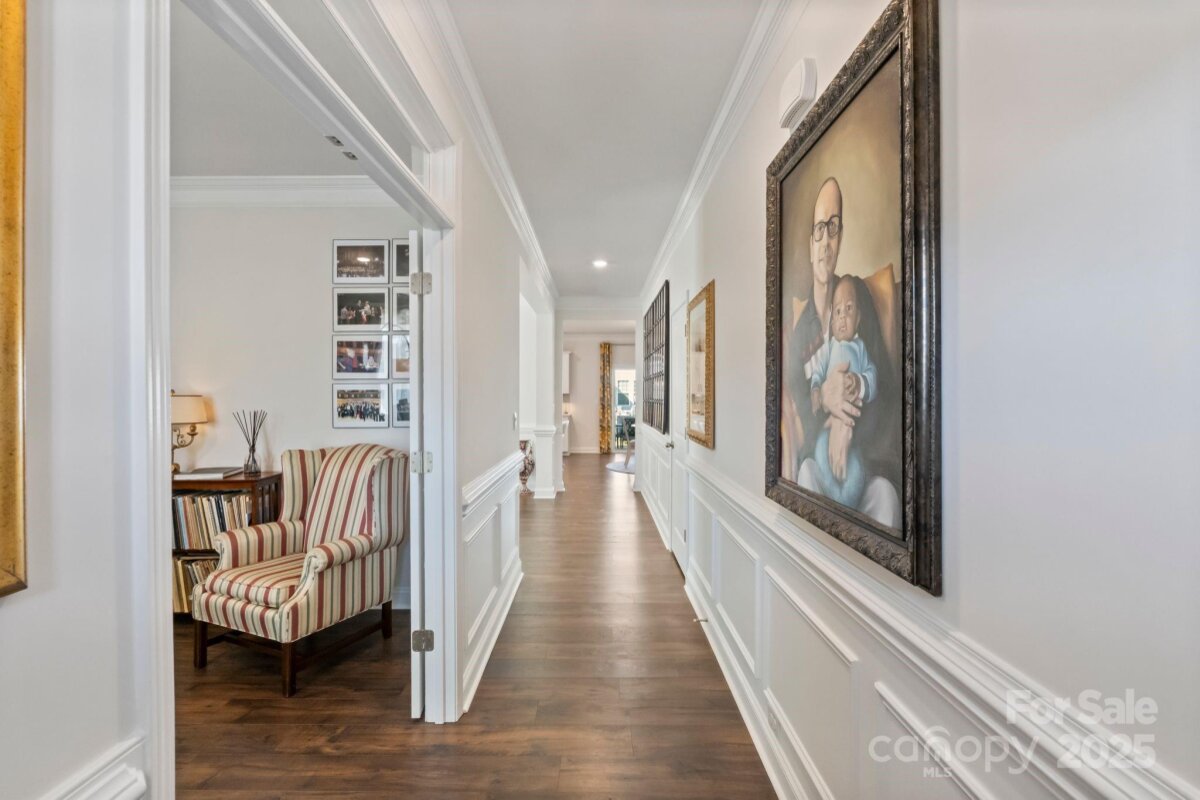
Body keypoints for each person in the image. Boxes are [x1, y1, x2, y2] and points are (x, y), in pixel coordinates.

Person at [782, 176, 901, 528]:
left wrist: (846, 425)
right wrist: (825, 400)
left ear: (841, 236)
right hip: (820, 468)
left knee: (887, 497)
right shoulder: (799, 334)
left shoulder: (857, 297)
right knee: (804, 475)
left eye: (833, 227)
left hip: (864, 464)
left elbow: (887, 389)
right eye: (819, 229)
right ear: (810, 244)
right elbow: (803, 407)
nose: (826, 242)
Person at [805, 274, 876, 507]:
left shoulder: (861, 348)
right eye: (837, 311)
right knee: (820, 452)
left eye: (849, 309)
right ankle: (835, 499)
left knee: (856, 472)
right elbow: (817, 373)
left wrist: (860, 382)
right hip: (827, 428)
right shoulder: (829, 348)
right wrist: (816, 390)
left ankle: (845, 504)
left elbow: (872, 376)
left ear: (859, 318)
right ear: (831, 321)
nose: (843, 316)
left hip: (853, 429)